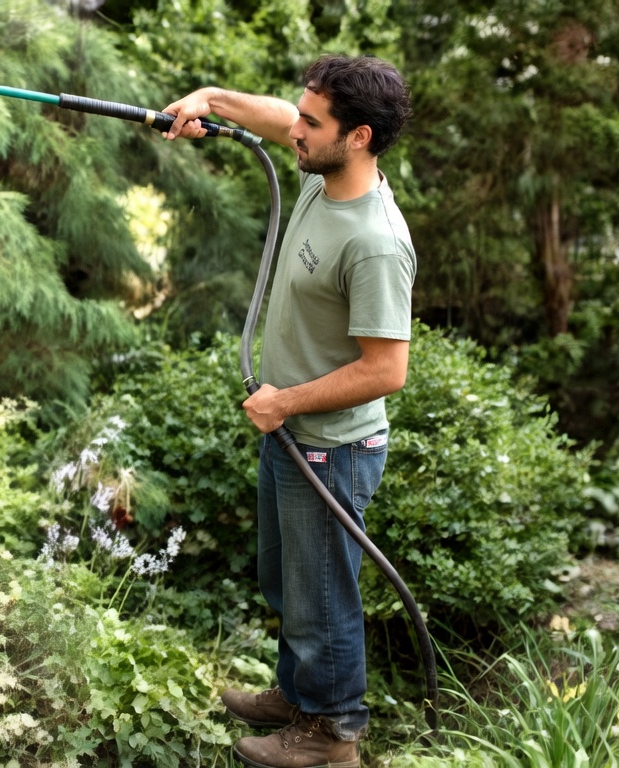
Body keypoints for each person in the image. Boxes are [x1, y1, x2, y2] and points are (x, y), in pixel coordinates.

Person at [162, 54, 416, 768]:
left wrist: (285, 401)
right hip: (292, 435)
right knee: (287, 581)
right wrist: (209, 95)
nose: (294, 130)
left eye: (312, 122)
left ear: (358, 136)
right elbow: (274, 116)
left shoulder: (374, 242)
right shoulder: (322, 171)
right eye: (300, 117)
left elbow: (386, 369)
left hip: (330, 447)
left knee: (323, 595)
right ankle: (298, 695)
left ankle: (332, 738)